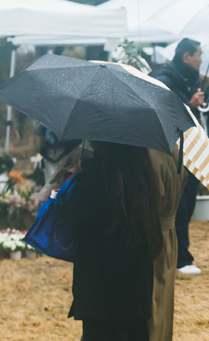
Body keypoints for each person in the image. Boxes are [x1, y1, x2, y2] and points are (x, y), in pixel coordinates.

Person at [60, 142, 162, 341]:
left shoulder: (96, 175)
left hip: (100, 292)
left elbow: (75, 220)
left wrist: (74, 176)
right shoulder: (144, 174)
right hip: (136, 291)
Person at [152, 38, 203, 275]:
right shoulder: (166, 79)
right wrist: (190, 105)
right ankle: (180, 258)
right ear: (186, 57)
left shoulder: (187, 77)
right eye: (198, 55)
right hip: (173, 153)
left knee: (187, 202)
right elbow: (166, 111)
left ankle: (180, 254)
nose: (201, 60)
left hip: (188, 151)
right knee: (179, 204)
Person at [148, 146, 185, 341]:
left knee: (151, 308)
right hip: (167, 236)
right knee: (161, 304)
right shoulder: (175, 148)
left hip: (147, 237)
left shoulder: (143, 152)